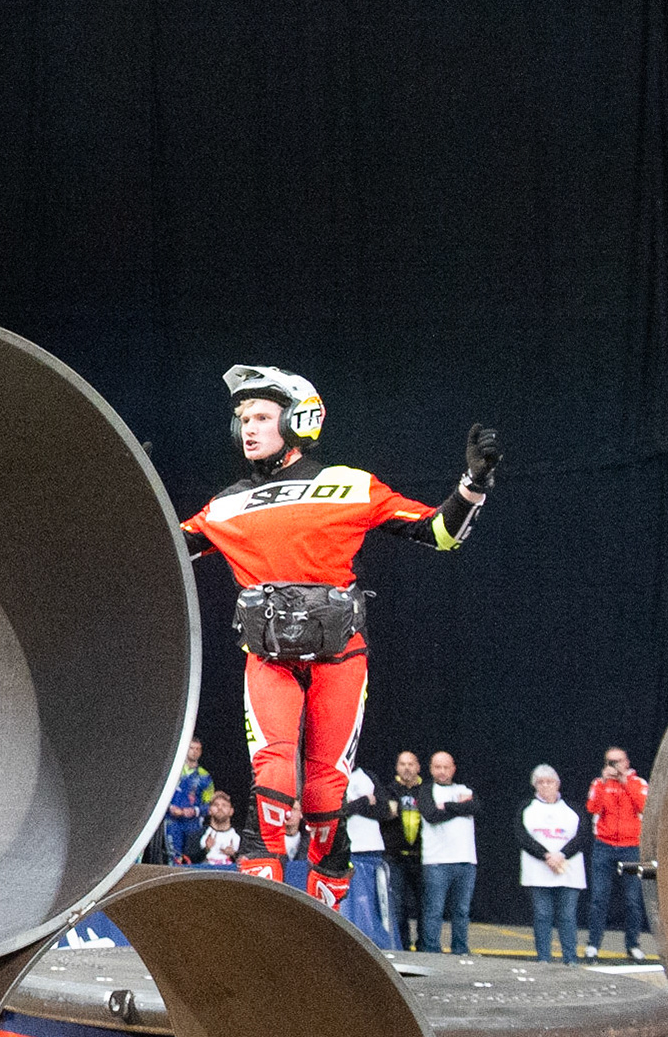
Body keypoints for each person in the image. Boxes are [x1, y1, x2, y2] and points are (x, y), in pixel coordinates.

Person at [180, 365, 500, 908]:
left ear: (300, 420)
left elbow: (442, 534)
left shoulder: (349, 484)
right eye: (241, 418)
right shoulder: (224, 506)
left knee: (327, 795)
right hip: (268, 660)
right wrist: (130, 492)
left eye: (261, 416)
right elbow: (157, 550)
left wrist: (473, 485)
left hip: (339, 659)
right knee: (273, 776)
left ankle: (326, 927)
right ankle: (263, 916)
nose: (247, 429)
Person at [584, 746, 649, 962]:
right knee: (599, 898)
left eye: (618, 761)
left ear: (627, 762)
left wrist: (624, 782)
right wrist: (604, 783)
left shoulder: (638, 783)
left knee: (633, 899)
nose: (614, 766)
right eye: (610, 762)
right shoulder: (598, 783)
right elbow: (592, 808)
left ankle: (633, 945)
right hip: (604, 846)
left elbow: (643, 807)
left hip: (631, 846)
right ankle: (593, 944)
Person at [519, 764, 588, 965]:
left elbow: (582, 835)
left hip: (568, 872)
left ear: (558, 784)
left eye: (550, 782)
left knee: (567, 916)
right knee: (542, 915)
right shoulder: (527, 808)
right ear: (535, 785)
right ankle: (543, 958)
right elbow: (522, 836)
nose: (546, 786)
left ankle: (570, 958)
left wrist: (562, 854)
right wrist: (546, 855)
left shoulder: (572, 809)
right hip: (538, 872)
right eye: (541, 782)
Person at [418, 751, 479, 955]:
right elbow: (431, 815)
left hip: (465, 859)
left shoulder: (464, 789)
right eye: (438, 767)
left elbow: (475, 807)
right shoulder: (426, 790)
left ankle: (460, 948)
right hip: (437, 861)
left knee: (461, 911)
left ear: (453, 768)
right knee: (434, 910)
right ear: (431, 769)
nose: (442, 771)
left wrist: (447, 806)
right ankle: (432, 949)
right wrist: (460, 807)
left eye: (446, 767)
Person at [339, 764, 397, 949]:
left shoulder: (368, 776)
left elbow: (385, 810)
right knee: (355, 903)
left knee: (377, 902)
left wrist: (353, 805)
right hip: (349, 850)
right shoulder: (335, 777)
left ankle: (381, 945)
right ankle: (353, 944)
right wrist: (364, 801)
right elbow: (337, 811)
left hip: (373, 850)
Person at [380, 750, 426, 950]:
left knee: (425, 905)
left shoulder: (426, 791)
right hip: (395, 857)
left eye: (411, 764)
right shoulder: (389, 790)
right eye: (402, 764)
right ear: (397, 768)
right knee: (398, 906)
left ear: (418, 767)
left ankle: (425, 945)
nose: (407, 768)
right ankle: (402, 945)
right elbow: (383, 815)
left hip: (423, 857)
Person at [162, 737, 214, 865]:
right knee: (174, 858)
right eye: (191, 748)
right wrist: (170, 808)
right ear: (185, 749)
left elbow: (210, 806)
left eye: (198, 749)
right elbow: (159, 795)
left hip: (193, 825)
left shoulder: (204, 776)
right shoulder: (173, 771)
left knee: (193, 859)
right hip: (172, 822)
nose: (194, 752)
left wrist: (194, 811)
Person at [184, 791, 242, 866]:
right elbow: (187, 862)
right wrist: (205, 850)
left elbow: (249, 861)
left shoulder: (240, 836)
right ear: (209, 810)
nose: (220, 808)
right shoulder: (197, 834)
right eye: (215, 805)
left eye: (224, 805)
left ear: (231, 811)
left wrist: (234, 855)